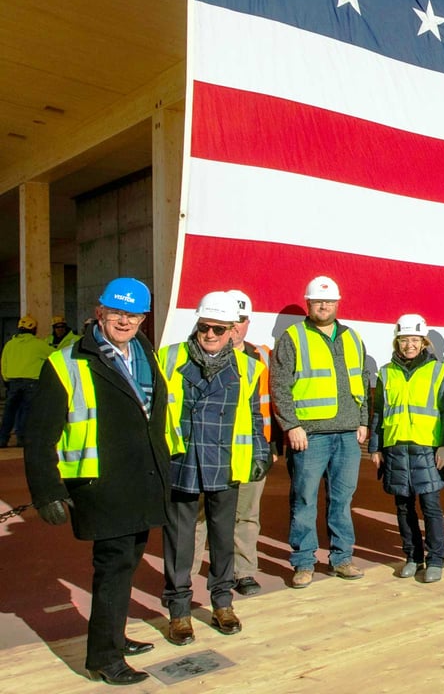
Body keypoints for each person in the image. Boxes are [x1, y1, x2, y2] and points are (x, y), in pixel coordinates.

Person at [24, 277, 168, 685]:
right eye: (118, 313)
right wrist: (46, 490)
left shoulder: (143, 352)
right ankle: (104, 659)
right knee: (113, 567)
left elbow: (152, 416)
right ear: (99, 312)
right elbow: (39, 435)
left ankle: (114, 637)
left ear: (143, 319)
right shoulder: (66, 361)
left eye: (134, 314)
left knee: (127, 564)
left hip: (142, 480)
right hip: (101, 486)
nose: (125, 321)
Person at [158, 292, 269, 644]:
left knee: (223, 539)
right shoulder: (169, 357)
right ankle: (179, 610)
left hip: (225, 462)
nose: (210, 335)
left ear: (231, 330)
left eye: (218, 329)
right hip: (183, 459)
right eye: (204, 327)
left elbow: (254, 416)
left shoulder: (250, 367)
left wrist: (259, 453)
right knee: (179, 538)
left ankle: (222, 603)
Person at [271, 275, 369, 588]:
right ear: (308, 303)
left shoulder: (352, 337)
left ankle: (341, 559)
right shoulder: (293, 336)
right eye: (317, 301)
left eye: (328, 301)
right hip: (309, 436)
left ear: (337, 303)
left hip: (347, 435)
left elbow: (363, 383)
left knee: (342, 500)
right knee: (304, 499)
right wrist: (292, 425)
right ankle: (303, 562)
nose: (323, 305)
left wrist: (363, 421)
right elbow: (280, 384)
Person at [370, 314, 444, 583]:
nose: (409, 345)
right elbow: (378, 414)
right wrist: (376, 447)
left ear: (424, 342)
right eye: (404, 340)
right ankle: (412, 556)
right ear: (397, 342)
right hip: (396, 448)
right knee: (403, 506)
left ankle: (436, 559)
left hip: (426, 450)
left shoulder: (439, 371)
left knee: (431, 506)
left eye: (415, 340)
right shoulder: (386, 372)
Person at [223, 289, 274, 597]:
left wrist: (272, 447)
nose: (235, 327)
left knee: (247, 515)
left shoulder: (262, 356)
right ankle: (186, 577)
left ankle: (244, 572)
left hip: (253, 450)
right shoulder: (202, 352)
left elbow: (273, 403)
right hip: (214, 451)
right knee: (202, 517)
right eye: (230, 320)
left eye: (241, 320)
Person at [1, 315, 53, 447]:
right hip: (32, 383)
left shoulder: (10, 345)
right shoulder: (38, 345)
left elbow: (4, 363)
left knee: (9, 412)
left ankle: (2, 439)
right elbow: (55, 355)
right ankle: (22, 438)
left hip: (13, 382)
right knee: (26, 411)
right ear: (34, 329)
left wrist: (6, 379)